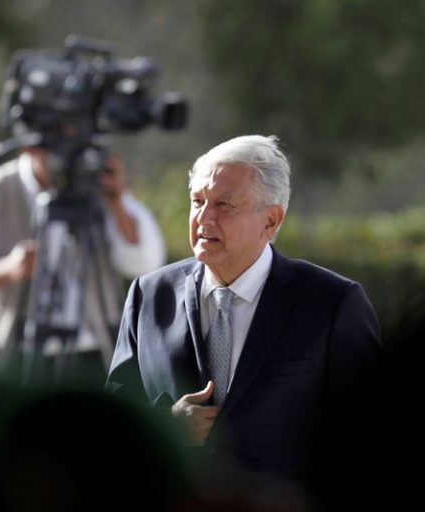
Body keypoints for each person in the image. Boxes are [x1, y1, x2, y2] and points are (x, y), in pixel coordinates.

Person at [106, 135, 383, 505]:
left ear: (270, 220)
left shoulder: (333, 304)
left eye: (224, 204)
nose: (204, 218)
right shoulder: (150, 295)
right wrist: (166, 425)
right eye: (198, 201)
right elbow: (113, 421)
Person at [0, 145, 165, 387]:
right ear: (29, 146)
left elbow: (146, 263)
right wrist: (8, 269)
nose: (67, 149)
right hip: (8, 356)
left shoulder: (97, 185)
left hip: (93, 355)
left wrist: (117, 203)